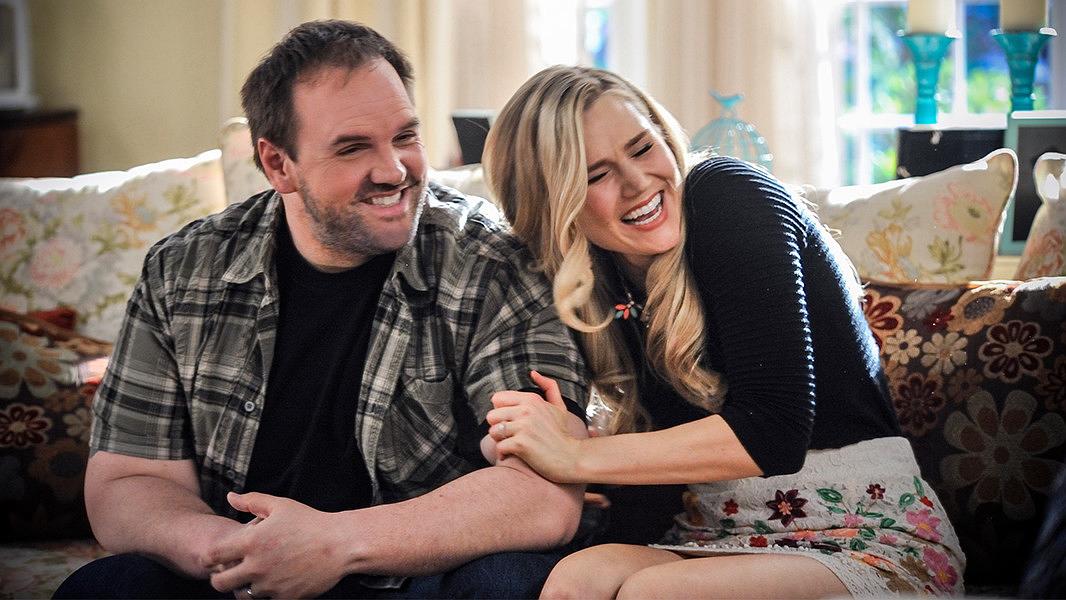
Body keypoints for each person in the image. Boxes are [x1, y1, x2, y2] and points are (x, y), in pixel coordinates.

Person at [55, 21, 590, 599]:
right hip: (237, 575)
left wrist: (333, 543)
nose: (394, 170)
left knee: (507, 584)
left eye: (405, 136)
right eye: (353, 147)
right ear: (278, 164)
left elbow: (543, 490)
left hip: (415, 578)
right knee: (104, 588)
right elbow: (128, 479)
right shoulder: (182, 271)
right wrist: (239, 553)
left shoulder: (496, 262)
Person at [480, 65, 965, 598]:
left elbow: (774, 430)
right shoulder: (596, 282)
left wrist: (575, 458)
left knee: (655, 594)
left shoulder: (728, 195)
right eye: (597, 175)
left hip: (865, 530)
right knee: (576, 581)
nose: (639, 183)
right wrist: (529, 445)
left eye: (643, 149)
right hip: (715, 531)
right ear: (554, 202)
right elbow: (642, 478)